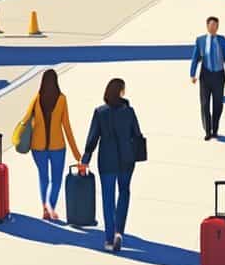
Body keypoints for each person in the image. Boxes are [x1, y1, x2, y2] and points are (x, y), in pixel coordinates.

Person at [78, 78, 142, 252]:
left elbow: (92, 138)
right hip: (126, 160)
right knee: (124, 193)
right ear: (121, 92)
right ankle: (119, 231)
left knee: (108, 198)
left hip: (106, 161)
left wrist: (85, 160)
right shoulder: (129, 112)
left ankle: (108, 238)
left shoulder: (100, 112)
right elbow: (137, 134)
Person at [17, 70, 81, 221]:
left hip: (37, 147)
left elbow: (25, 120)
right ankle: (51, 206)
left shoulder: (37, 99)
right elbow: (67, 127)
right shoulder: (62, 99)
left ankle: (45, 207)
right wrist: (77, 154)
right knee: (56, 179)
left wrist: (19, 137)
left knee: (43, 177)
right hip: (57, 146)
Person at [191, 15, 225, 140]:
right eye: (211, 26)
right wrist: (192, 74)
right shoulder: (201, 40)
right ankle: (207, 131)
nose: (214, 28)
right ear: (207, 26)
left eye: (216, 26)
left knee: (218, 104)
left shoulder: (222, 40)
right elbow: (195, 58)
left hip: (219, 76)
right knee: (204, 104)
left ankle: (215, 129)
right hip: (205, 75)